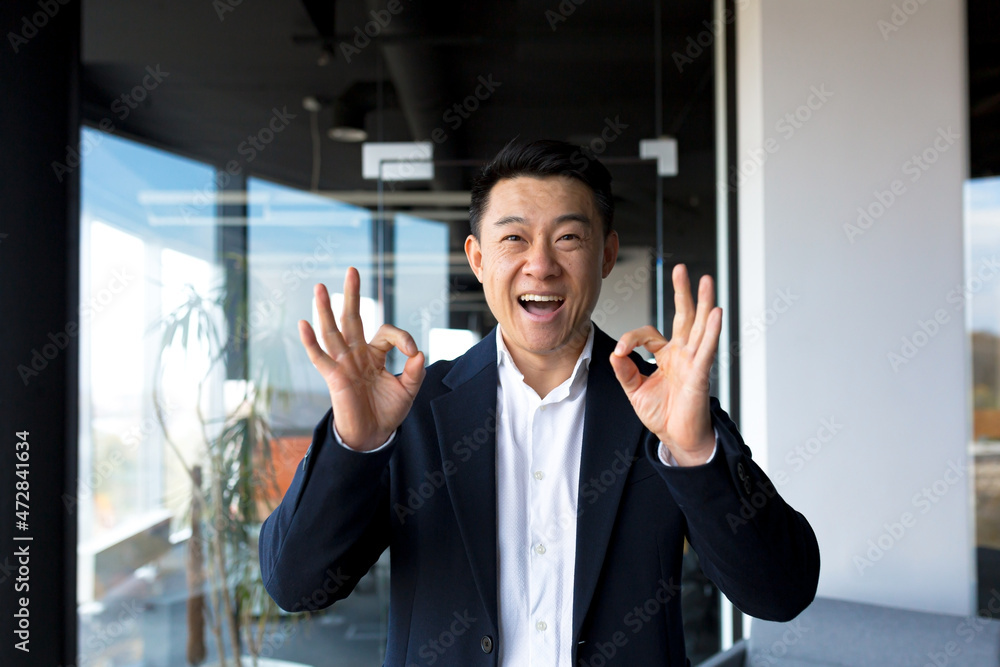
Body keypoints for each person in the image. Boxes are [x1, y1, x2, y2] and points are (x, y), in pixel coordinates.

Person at [259, 139, 820, 666]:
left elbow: (781, 592)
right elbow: (298, 585)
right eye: (514, 238)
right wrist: (354, 445)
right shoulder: (410, 410)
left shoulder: (667, 408)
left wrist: (696, 451)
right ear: (478, 259)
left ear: (606, 254)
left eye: (569, 238)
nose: (541, 264)